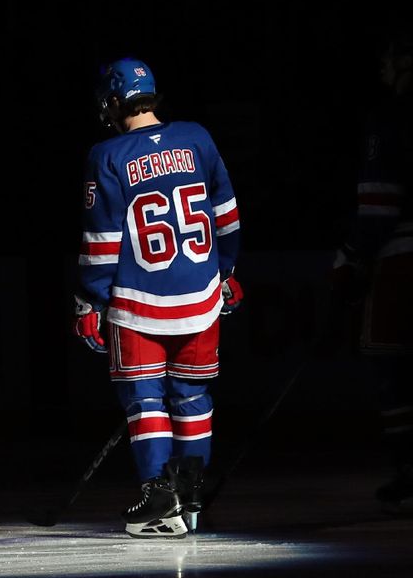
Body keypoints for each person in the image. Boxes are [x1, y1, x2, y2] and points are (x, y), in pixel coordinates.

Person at [73, 58, 242, 538]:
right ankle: (189, 499)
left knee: (145, 401)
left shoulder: (105, 155)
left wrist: (90, 300)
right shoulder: (197, 137)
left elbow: (101, 242)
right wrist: (225, 272)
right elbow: (227, 216)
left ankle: (157, 496)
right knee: (193, 398)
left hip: (137, 300)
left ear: (111, 102)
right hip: (201, 298)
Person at [331, 26, 413, 513]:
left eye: (391, 57)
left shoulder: (390, 118)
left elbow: (378, 208)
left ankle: (409, 466)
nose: (383, 67)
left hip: (403, 261)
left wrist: (350, 258)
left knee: (392, 363)